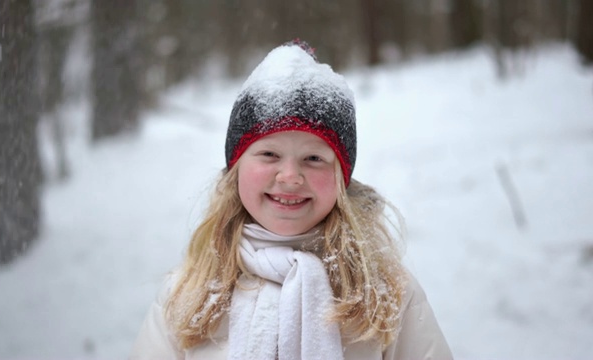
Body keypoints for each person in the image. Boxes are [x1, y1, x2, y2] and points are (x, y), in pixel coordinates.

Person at [131, 40, 453, 360]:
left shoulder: (385, 292)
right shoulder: (190, 292)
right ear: (236, 169)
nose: (290, 176)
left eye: (313, 158)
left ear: (342, 178)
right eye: (269, 154)